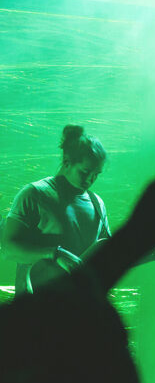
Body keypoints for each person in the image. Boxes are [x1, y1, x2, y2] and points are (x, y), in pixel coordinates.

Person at [2, 125, 110, 295]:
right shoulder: (34, 194)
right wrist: (55, 254)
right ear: (67, 161)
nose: (91, 179)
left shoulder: (98, 204)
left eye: (97, 174)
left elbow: (106, 253)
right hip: (35, 311)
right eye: (85, 171)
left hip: (80, 310)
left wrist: (153, 253)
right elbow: (9, 250)